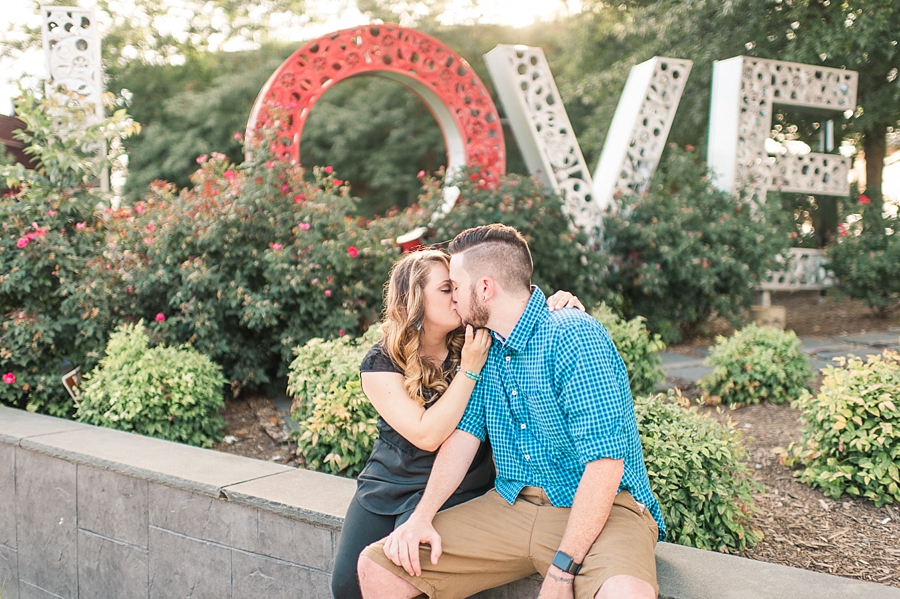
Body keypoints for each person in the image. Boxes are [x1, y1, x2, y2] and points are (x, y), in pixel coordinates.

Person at [357, 224, 666, 599]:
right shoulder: (484, 345)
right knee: (378, 567)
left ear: (485, 288)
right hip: (511, 505)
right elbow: (464, 437)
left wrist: (561, 573)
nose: (452, 297)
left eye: (455, 285)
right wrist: (421, 518)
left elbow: (605, 465)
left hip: (603, 510)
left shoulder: (573, 336)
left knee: (627, 594)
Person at [331, 249, 583, 599]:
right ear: (416, 301)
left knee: (412, 573)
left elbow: (512, 300)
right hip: (388, 481)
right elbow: (427, 434)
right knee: (345, 584)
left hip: (458, 484)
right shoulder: (382, 361)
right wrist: (469, 370)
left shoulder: (478, 338)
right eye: (447, 289)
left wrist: (560, 300)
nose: (458, 296)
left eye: (458, 286)